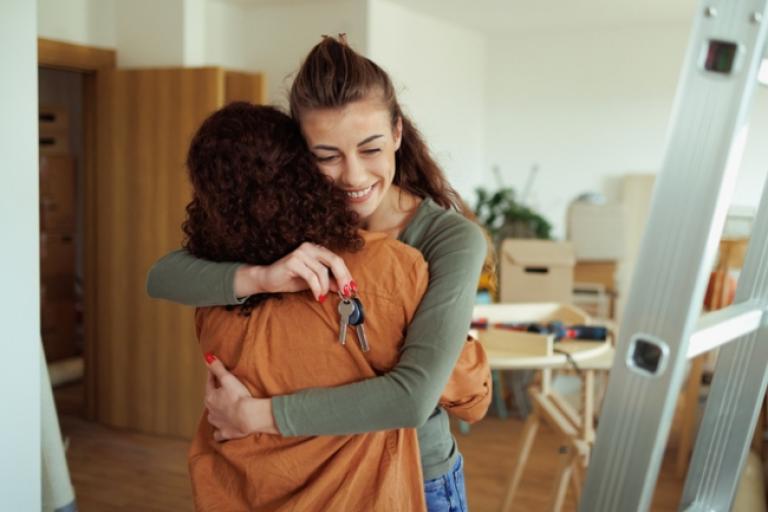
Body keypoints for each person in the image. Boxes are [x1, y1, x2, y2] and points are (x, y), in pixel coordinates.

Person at [147, 35, 492, 511]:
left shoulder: (448, 240)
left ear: (397, 132)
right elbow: (163, 276)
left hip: (414, 478)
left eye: (370, 148)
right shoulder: (295, 216)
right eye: (327, 156)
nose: (352, 177)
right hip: (303, 479)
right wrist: (261, 277)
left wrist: (253, 416)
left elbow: (413, 398)